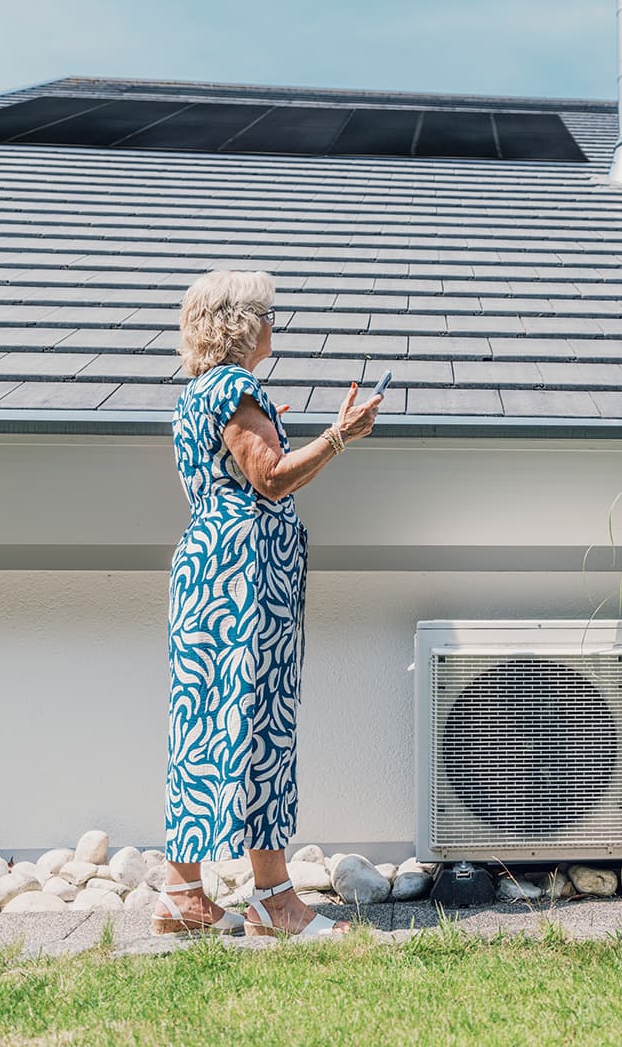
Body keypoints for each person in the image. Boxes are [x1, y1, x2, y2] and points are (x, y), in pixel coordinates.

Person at [151, 269, 382, 938]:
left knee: (202, 723)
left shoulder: (197, 393)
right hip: (245, 580)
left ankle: (183, 895)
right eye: (269, 314)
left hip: (208, 571)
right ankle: (275, 900)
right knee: (260, 726)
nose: (276, 324)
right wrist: (339, 436)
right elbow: (270, 479)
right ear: (245, 325)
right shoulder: (235, 386)